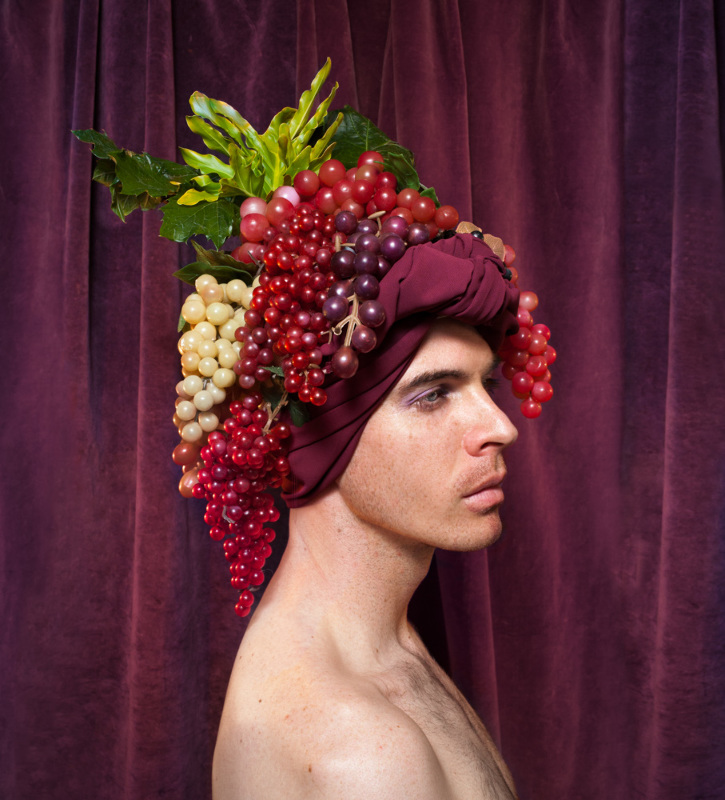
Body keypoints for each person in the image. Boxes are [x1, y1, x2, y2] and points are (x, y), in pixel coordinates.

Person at [212, 234, 522, 799]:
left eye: (487, 384)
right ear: (323, 440)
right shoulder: (362, 755)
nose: (502, 427)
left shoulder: (380, 645)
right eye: (434, 395)